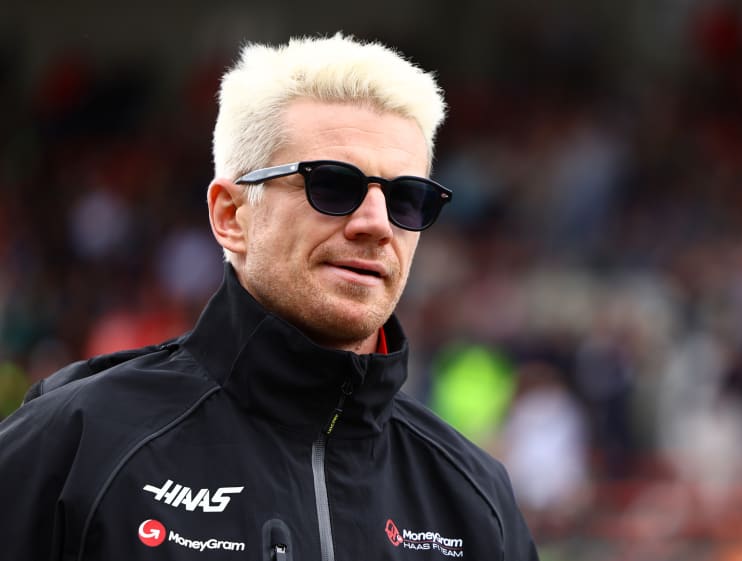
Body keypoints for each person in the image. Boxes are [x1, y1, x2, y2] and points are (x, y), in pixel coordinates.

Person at [0, 34, 539, 561]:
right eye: (332, 185)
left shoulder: (475, 499)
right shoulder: (76, 446)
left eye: (407, 198)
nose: (377, 224)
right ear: (230, 216)